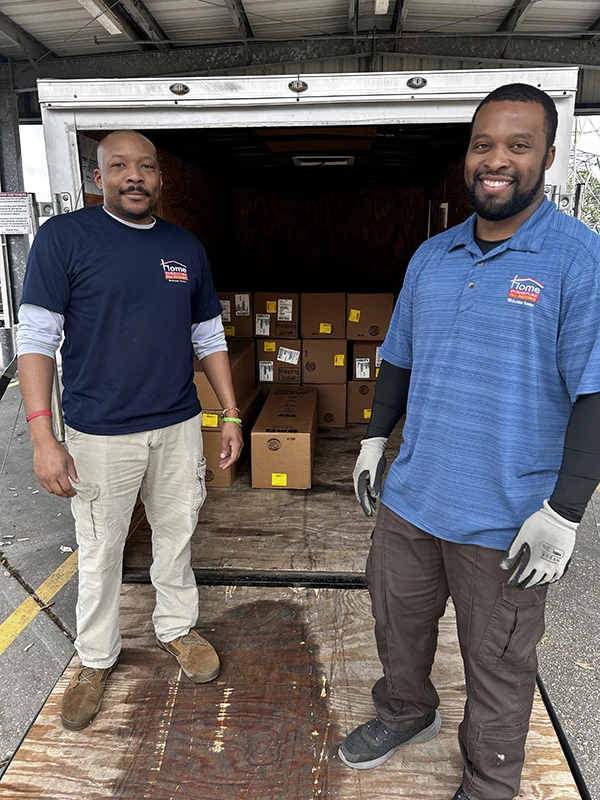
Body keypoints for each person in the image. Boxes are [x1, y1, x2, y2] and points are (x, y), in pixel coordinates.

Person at [339, 84, 600, 800]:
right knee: (396, 625)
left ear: (547, 157)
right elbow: (400, 356)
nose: (497, 160)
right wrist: (372, 440)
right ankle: (404, 713)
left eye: (518, 146)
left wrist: (565, 512)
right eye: (484, 144)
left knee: (500, 664)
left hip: (508, 517)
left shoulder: (579, 259)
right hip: (414, 497)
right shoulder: (433, 256)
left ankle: (489, 784)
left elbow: (596, 393)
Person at [17, 130, 243, 731]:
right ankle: (95, 658)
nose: (134, 176)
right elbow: (36, 341)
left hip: (177, 425)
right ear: (99, 178)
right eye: (119, 166)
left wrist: (230, 412)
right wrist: (44, 437)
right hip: (100, 434)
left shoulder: (184, 248)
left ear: (161, 179)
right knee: (100, 550)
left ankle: (177, 628)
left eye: (146, 166)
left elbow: (209, 338)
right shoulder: (64, 239)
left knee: (177, 533)